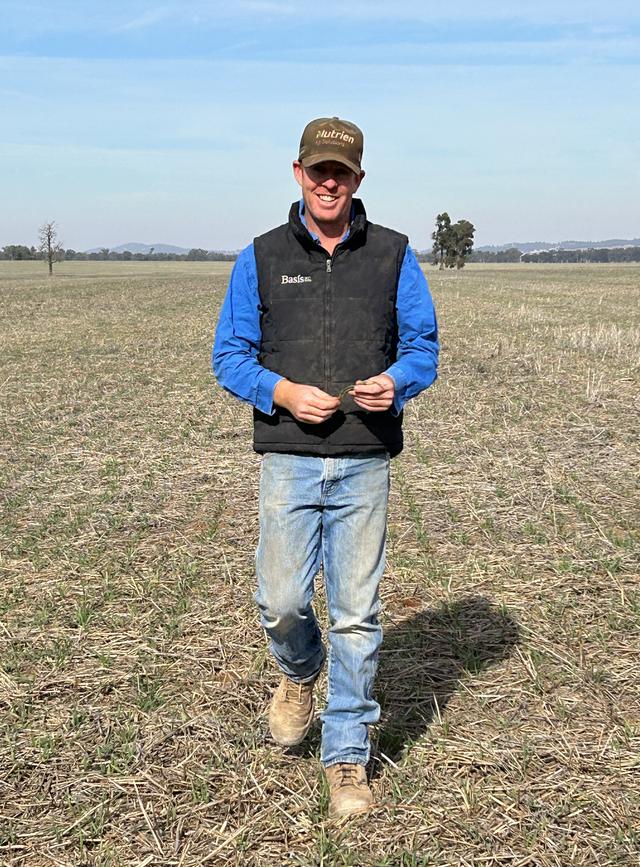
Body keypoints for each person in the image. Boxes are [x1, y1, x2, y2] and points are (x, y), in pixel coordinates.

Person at [212, 116, 438, 819]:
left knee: (357, 614)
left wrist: (395, 383)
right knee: (280, 599)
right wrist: (281, 392)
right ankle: (298, 673)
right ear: (298, 173)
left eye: (341, 170)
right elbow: (229, 356)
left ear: (359, 178)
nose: (329, 180)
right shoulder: (260, 256)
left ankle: (347, 756)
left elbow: (424, 348)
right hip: (290, 459)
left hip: (365, 460)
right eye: (318, 169)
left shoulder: (395, 255)